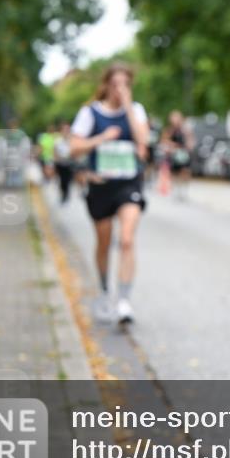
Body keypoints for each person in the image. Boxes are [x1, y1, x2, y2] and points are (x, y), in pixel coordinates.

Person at [69, 63, 150, 325]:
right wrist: (101, 138)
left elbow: (143, 141)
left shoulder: (135, 111)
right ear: (105, 85)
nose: (119, 90)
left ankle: (124, 301)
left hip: (128, 184)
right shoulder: (90, 113)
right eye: (115, 84)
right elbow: (74, 147)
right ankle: (105, 290)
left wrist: (127, 107)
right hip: (101, 185)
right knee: (104, 243)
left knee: (126, 240)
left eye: (125, 85)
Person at [160, 110, 195, 199]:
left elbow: (190, 140)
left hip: (184, 153)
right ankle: (176, 189)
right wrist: (172, 146)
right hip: (174, 153)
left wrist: (189, 147)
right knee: (175, 172)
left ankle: (184, 190)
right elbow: (164, 140)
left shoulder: (185, 130)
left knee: (185, 171)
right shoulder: (170, 130)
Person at [53, 121, 75, 204]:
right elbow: (55, 152)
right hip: (60, 164)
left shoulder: (72, 140)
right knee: (62, 180)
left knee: (68, 180)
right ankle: (64, 194)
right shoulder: (57, 141)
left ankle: (67, 193)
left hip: (69, 163)